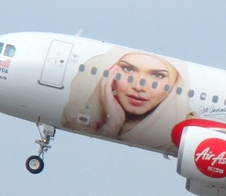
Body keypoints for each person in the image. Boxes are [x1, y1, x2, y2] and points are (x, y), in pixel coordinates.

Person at [62, 48, 195, 151]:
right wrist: (111, 126)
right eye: (127, 69)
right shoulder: (74, 121)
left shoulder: (193, 133)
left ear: (174, 85)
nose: (138, 87)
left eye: (158, 75)